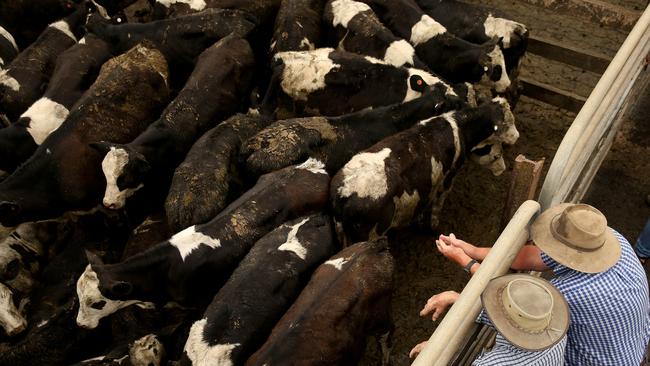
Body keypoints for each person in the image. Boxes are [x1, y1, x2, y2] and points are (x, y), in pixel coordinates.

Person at [436, 203, 650, 366]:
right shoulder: (612, 241)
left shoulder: (568, 294)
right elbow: (531, 257)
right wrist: (471, 249)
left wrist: (465, 262)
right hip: (633, 345)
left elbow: (508, 303)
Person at [409, 274, 570, 365]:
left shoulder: (492, 364)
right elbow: (510, 320)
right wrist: (455, 297)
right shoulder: (556, 333)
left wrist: (435, 352)